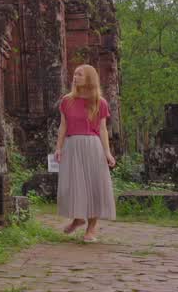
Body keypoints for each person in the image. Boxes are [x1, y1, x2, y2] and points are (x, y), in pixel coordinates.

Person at [54, 64, 116, 242]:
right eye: (74, 74)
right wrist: (59, 147)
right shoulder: (67, 100)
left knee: (93, 185)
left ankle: (91, 228)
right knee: (73, 185)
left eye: (79, 74)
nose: (75, 77)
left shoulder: (99, 102)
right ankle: (78, 218)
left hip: (92, 146)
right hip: (72, 145)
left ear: (89, 77)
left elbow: (103, 129)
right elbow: (63, 126)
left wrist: (107, 153)